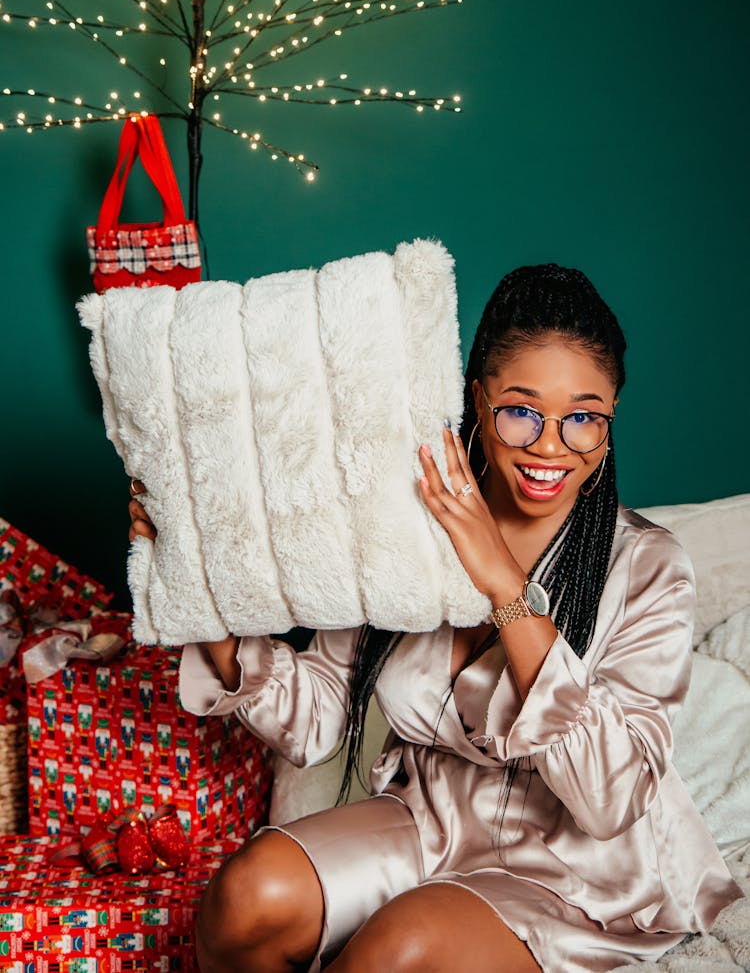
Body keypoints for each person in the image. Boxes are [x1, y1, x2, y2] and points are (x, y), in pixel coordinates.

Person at [129, 263, 740, 973]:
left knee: (400, 948)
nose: (550, 445)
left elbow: (613, 798)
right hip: (428, 819)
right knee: (245, 896)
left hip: (586, 868)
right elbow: (322, 712)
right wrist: (204, 604)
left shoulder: (647, 566)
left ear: (609, 422)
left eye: (583, 418)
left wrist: (501, 583)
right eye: (521, 409)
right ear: (476, 400)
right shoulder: (401, 530)